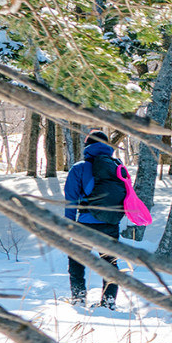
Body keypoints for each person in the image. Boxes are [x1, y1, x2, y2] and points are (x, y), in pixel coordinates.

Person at [61, 130, 127, 307]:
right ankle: (109, 301)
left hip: (85, 224)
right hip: (110, 223)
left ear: (87, 146)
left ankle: (79, 297)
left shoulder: (79, 168)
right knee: (109, 263)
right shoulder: (118, 167)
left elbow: (71, 200)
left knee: (76, 259)